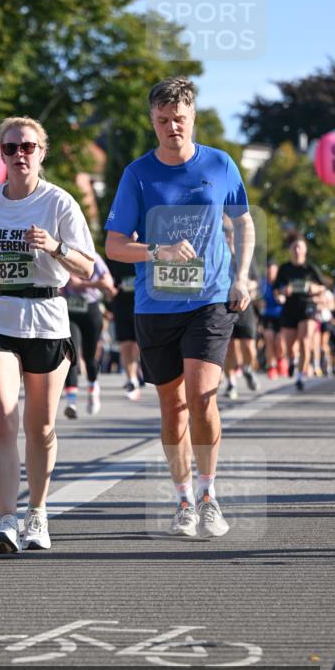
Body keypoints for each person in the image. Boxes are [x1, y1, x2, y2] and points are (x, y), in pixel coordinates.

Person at [105, 77, 254, 540]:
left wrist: (242, 275)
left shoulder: (220, 164)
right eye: (163, 120)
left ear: (193, 118)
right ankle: (183, 498)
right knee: (172, 406)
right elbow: (114, 246)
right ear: (153, 121)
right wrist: (158, 251)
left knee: (202, 394)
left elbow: (243, 221)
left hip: (209, 299)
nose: (173, 127)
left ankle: (209, 496)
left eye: (180, 119)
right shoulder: (138, 174)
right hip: (156, 304)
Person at [0, 116, 95, 554]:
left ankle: (38, 512)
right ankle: (6, 520)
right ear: (1, 153)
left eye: (29, 147)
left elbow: (88, 267)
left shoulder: (60, 203)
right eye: (12, 147)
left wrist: (55, 247)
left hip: (47, 318)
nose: (20, 154)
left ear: (42, 152)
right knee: (2, 418)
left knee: (42, 427)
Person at [61, 253, 114, 417]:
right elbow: (72, 283)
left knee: (90, 356)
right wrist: (97, 283)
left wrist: (101, 286)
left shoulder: (94, 257)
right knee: (71, 354)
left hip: (90, 309)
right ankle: (71, 401)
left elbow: (109, 282)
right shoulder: (63, 252)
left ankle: (93, 389)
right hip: (70, 310)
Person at [273, 236, 326, 392]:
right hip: (290, 308)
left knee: (305, 342)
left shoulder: (310, 268)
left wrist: (314, 288)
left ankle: (300, 377)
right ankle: (292, 359)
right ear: (290, 250)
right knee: (289, 346)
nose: (297, 250)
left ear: (305, 250)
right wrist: (283, 291)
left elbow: (323, 287)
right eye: (294, 247)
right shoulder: (284, 268)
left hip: (307, 307)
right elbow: (276, 290)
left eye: (300, 247)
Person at [222, 220, 260, 399]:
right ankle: (231, 383)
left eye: (231, 231)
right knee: (228, 348)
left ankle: (247, 368)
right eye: (225, 231)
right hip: (224, 307)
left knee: (249, 347)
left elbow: (256, 282)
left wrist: (241, 284)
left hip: (244, 307)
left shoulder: (245, 257)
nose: (228, 235)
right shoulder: (218, 255)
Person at [107, 257, 143, 400]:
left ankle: (137, 371)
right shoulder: (115, 258)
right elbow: (109, 281)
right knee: (125, 345)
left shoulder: (145, 253)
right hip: (121, 307)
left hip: (142, 306)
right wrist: (110, 289)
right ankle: (131, 379)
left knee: (137, 346)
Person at [259, 260, 286, 379]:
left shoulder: (281, 283)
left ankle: (280, 359)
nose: (271, 274)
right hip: (267, 316)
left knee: (279, 341)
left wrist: (283, 298)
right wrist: (259, 302)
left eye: (273, 272)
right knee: (269, 339)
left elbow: (288, 296)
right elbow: (257, 299)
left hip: (281, 316)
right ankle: (271, 367)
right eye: (269, 272)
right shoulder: (263, 284)